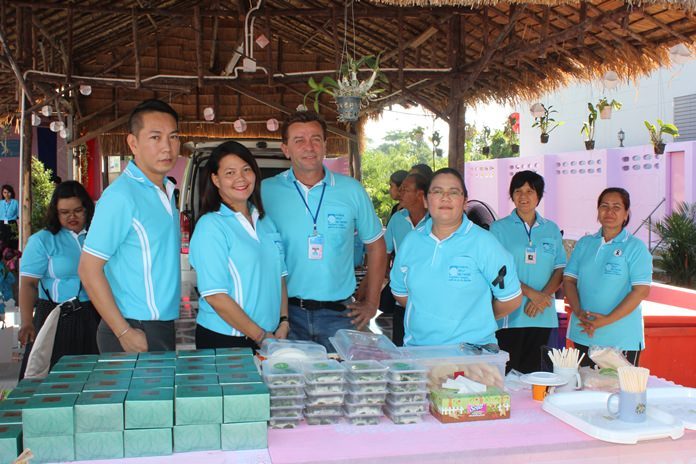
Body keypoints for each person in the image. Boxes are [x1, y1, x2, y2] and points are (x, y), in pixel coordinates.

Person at [261, 111, 387, 351]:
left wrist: (372, 302)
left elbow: (376, 245)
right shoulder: (266, 191)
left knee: (340, 375)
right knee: (289, 374)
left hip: (340, 315)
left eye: (316, 139)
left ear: (325, 145)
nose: (309, 147)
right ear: (286, 149)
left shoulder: (351, 190)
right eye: (299, 140)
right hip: (284, 315)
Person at [79, 99, 181, 353]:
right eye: (155, 137)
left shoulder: (166, 190)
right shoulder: (121, 196)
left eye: (173, 137)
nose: (167, 147)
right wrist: (123, 331)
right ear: (133, 143)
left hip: (161, 324)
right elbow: (88, 269)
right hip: (133, 327)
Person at [390, 168, 522, 347]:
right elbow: (400, 292)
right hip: (419, 352)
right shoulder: (411, 242)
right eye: (437, 191)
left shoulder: (484, 243)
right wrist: (433, 316)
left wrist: (475, 319)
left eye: (453, 192)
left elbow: (510, 300)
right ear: (426, 200)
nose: (445, 198)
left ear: (465, 201)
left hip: (472, 354)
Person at [189, 140, 288, 349]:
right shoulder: (211, 226)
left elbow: (279, 277)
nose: (241, 178)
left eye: (246, 169)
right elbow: (215, 295)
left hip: (270, 337)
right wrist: (261, 336)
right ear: (215, 180)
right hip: (227, 339)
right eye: (230, 173)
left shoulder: (265, 222)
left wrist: (284, 321)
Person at [18, 181, 99, 378]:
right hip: (56, 316)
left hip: (95, 314)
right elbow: (28, 284)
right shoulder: (42, 240)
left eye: (77, 210)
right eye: (64, 212)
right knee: (52, 379)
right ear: (56, 213)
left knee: (93, 379)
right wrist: (27, 322)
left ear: (87, 209)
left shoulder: (97, 236)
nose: (72, 217)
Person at [564, 187, 652, 366]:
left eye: (616, 207)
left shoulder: (635, 247)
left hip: (621, 339)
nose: (609, 211)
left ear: (626, 214)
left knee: (618, 384)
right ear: (598, 211)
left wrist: (606, 320)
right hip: (583, 333)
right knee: (582, 383)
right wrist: (579, 312)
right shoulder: (584, 243)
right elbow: (569, 280)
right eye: (604, 206)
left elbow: (641, 291)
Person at [490, 171, 566, 373]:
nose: (523, 196)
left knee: (537, 377)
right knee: (507, 376)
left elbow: (560, 268)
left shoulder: (551, 229)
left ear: (538, 196)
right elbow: (496, 270)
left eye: (530, 191)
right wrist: (533, 294)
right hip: (510, 316)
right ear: (512, 195)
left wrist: (543, 296)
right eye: (518, 191)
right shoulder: (498, 229)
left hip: (543, 314)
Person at [383, 173, 428, 345]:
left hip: (430, 301)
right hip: (402, 301)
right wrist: (389, 276)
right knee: (401, 349)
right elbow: (386, 252)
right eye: (400, 189)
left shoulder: (435, 221)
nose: (400, 193)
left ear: (420, 194)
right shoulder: (397, 219)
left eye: (405, 190)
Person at [0, 184, 19, 249]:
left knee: (12, 243)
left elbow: (19, 215)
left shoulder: (15, 202)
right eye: (4, 192)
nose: (6, 194)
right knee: (2, 244)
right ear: (2, 193)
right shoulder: (0, 203)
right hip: (1, 224)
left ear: (11, 193)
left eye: (8, 192)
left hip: (12, 224)